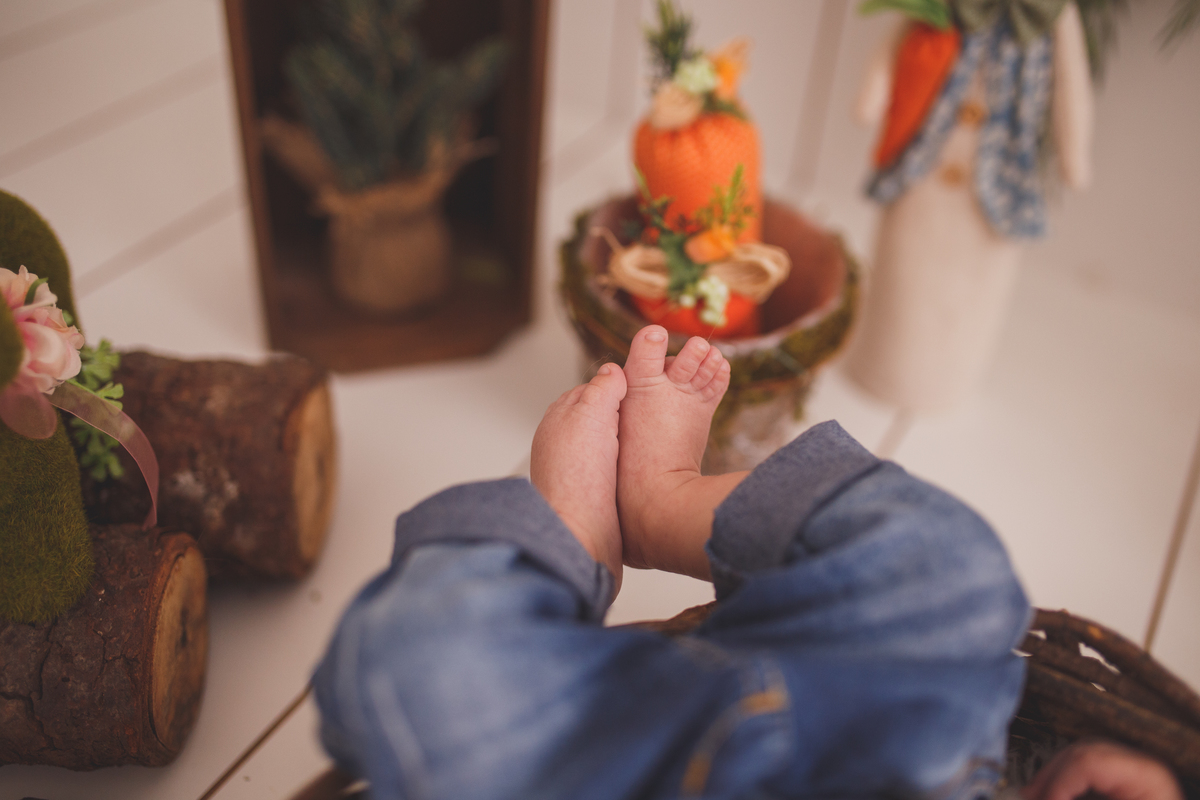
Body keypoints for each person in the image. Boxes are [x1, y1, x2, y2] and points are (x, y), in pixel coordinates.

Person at [312, 325, 1182, 800]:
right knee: (952, 574)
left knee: (416, 671)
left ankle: (573, 546)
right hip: (900, 762)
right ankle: (659, 504)